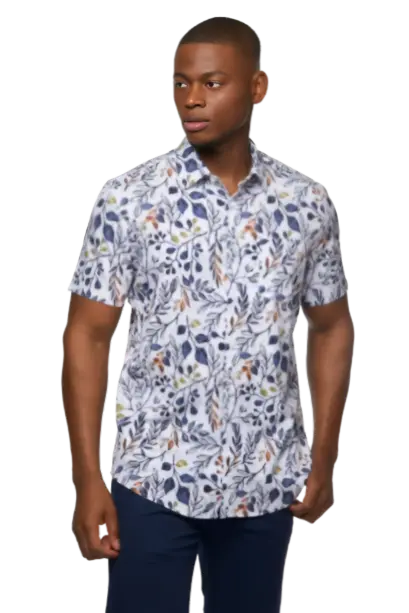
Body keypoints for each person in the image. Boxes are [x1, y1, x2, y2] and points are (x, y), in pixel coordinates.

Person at [61, 16, 355, 613]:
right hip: (154, 479)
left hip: (264, 480)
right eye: (181, 83)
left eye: (212, 83)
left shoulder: (305, 204)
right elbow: (87, 334)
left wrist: (325, 456)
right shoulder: (129, 199)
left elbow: (331, 325)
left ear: (258, 88)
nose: (191, 99)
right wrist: (88, 476)